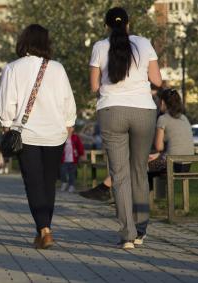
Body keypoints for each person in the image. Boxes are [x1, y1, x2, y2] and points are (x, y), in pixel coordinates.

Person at [0, 24, 77, 249]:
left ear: (24, 41)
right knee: (48, 183)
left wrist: (6, 127)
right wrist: (68, 126)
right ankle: (45, 230)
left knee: (33, 183)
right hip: (55, 134)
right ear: (46, 43)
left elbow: (6, 104)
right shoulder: (58, 68)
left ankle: (44, 229)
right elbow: (67, 102)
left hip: (26, 135)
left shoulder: (12, 68)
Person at [89, 7, 162, 249]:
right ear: (128, 24)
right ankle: (141, 230)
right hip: (143, 111)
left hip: (112, 111)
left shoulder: (100, 46)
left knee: (119, 175)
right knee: (139, 171)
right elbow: (157, 80)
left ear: (106, 26)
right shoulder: (144, 43)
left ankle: (127, 234)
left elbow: (93, 86)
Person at [148, 88, 195, 184]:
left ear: (162, 102)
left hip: (172, 164)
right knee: (153, 162)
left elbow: (158, 146)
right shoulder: (184, 118)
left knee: (142, 166)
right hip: (187, 164)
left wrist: (157, 154)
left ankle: (144, 196)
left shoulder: (163, 119)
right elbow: (177, 144)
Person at [60, 127, 85, 193]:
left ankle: (71, 185)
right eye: (67, 127)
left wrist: (81, 154)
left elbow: (80, 146)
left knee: (72, 173)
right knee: (63, 172)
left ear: (73, 129)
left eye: (70, 127)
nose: (68, 129)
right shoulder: (62, 137)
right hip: (64, 159)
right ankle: (64, 182)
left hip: (73, 159)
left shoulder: (75, 137)